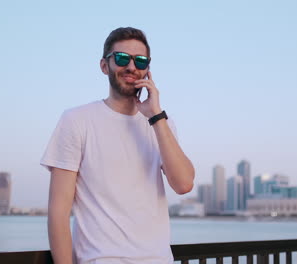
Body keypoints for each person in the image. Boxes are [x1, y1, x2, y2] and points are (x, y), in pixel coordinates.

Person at [41, 27, 195, 264]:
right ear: (105, 66)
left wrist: (155, 116)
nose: (132, 67)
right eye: (122, 58)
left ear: (148, 69)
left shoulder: (161, 123)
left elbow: (184, 184)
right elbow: (58, 213)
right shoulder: (77, 120)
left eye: (140, 61)